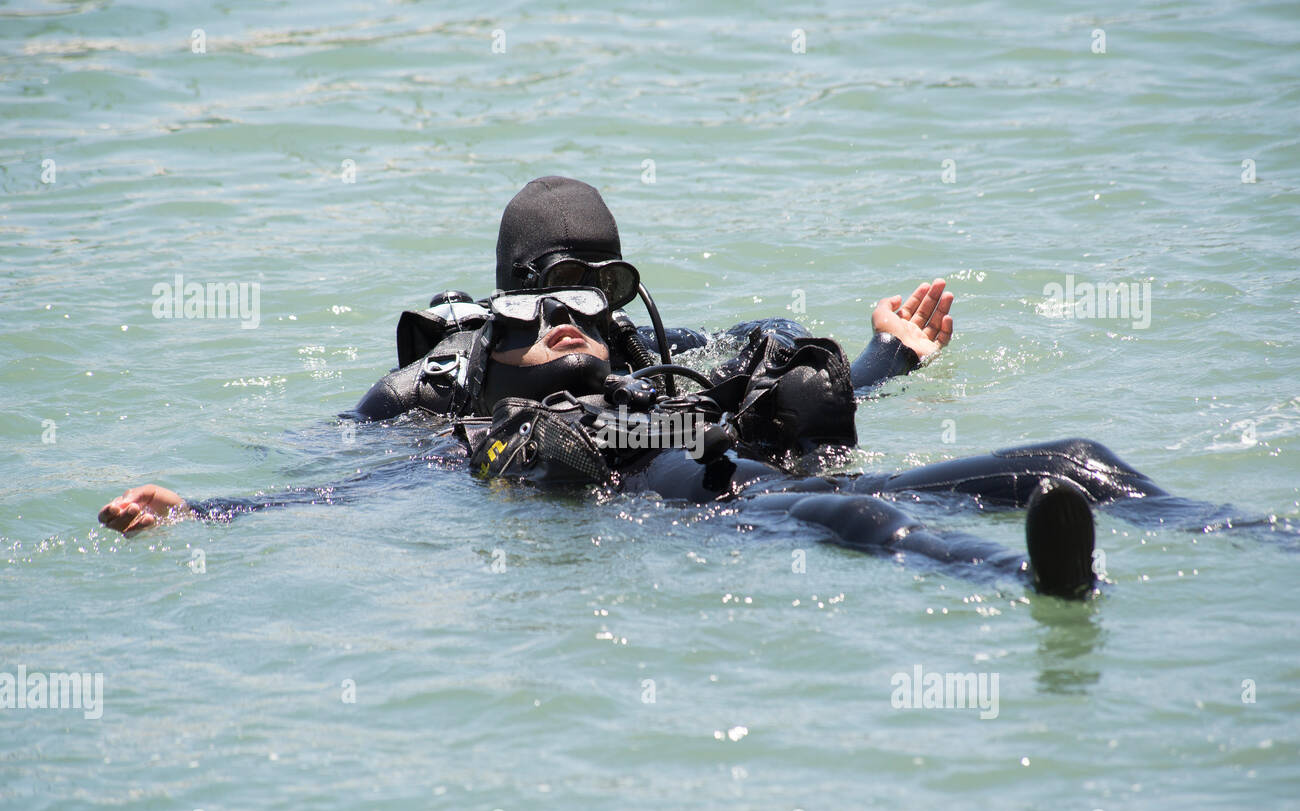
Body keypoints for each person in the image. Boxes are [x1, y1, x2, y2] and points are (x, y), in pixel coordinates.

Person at [98, 177, 1204, 599]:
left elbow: (779, 402)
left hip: (742, 477)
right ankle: (1036, 586)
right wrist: (211, 511)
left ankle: (1257, 531)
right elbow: (355, 490)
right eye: (550, 294)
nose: (577, 313)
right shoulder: (463, 394)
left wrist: (890, 356)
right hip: (681, 516)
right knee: (859, 513)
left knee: (1074, 458)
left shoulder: (653, 361)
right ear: (502, 304)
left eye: (601, 289)